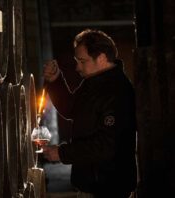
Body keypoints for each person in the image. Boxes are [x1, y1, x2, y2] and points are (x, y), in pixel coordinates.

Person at [42, 29, 137, 198]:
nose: (77, 67)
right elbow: (71, 108)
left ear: (101, 58)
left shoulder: (117, 91)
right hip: (91, 183)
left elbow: (107, 145)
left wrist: (63, 153)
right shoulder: (93, 83)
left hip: (108, 187)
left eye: (82, 61)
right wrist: (55, 81)